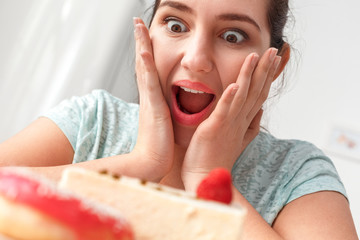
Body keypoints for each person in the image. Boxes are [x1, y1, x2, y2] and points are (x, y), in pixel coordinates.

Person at [0, 0, 358, 239]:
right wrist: (142, 163)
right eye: (174, 24)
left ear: (274, 64)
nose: (196, 58)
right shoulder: (93, 120)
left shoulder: (298, 173)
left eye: (232, 35)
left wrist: (211, 183)